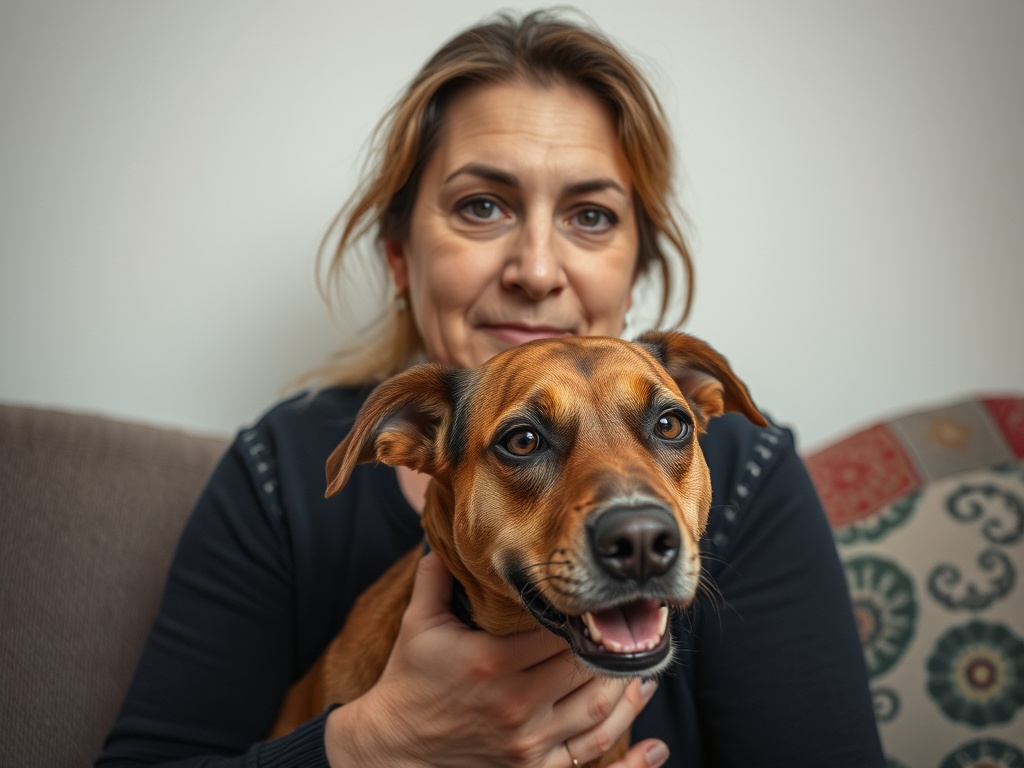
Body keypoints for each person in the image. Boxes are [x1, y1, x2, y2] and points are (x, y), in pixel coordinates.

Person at [97, 10, 884, 768]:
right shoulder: (284, 471)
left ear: (637, 265)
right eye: (482, 206)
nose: (537, 271)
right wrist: (370, 747)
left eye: (590, 215)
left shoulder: (747, 466)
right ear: (401, 256)